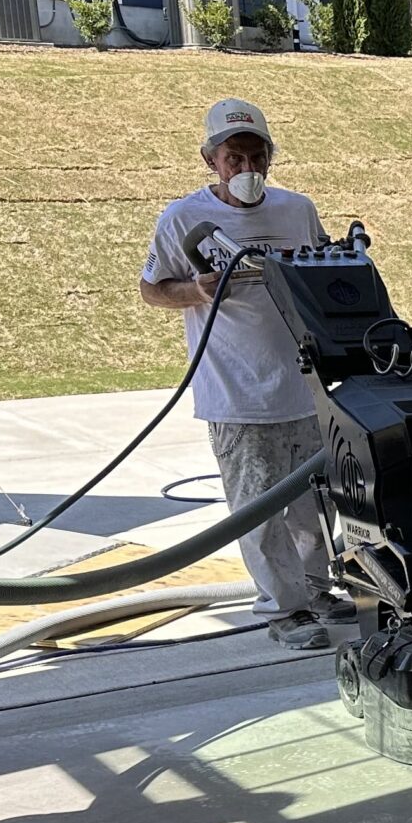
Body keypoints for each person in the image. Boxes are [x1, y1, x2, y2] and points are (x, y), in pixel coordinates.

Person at [139, 98, 339, 651]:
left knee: (314, 503)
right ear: (211, 161)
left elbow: (326, 272)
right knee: (259, 510)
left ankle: (318, 589)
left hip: (304, 384)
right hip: (236, 391)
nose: (246, 169)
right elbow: (152, 289)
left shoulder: (297, 210)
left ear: (271, 157)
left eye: (256, 156)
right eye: (234, 158)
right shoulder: (183, 220)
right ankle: (284, 609)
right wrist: (195, 290)